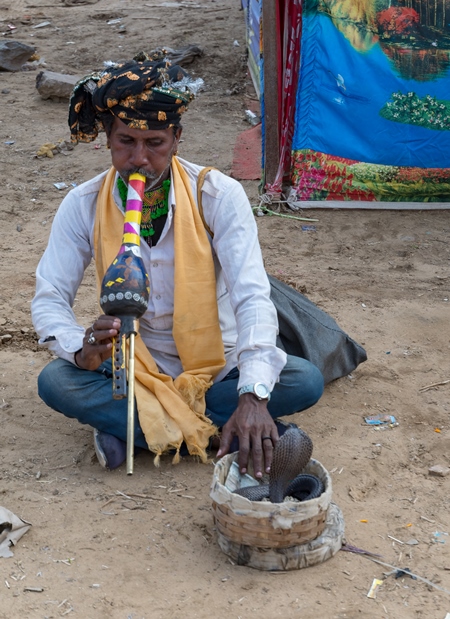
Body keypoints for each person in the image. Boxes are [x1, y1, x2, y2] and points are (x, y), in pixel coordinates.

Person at [31, 50, 324, 478]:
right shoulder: (83, 204)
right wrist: (82, 349)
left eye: (155, 144)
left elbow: (253, 296)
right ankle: (220, 433)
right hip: (134, 368)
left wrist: (253, 397)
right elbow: (49, 297)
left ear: (177, 138)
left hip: (217, 366)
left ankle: (136, 430)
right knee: (56, 381)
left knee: (303, 380)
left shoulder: (217, 195)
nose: (139, 160)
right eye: (125, 142)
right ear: (108, 138)